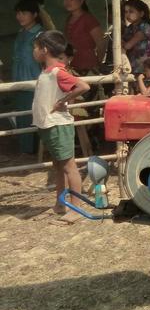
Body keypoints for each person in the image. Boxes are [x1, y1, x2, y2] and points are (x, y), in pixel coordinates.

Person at [32, 31, 90, 222]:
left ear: (45, 49)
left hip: (58, 125)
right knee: (58, 166)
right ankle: (61, 202)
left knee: (69, 167)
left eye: (36, 47)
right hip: (49, 125)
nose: (34, 51)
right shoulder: (46, 71)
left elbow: (83, 86)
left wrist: (63, 100)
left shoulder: (58, 72)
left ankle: (76, 207)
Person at [12, 0, 44, 154]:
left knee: (33, 117)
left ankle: (35, 152)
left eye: (24, 13)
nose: (20, 16)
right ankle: (26, 151)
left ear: (35, 14)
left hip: (34, 83)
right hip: (19, 82)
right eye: (18, 13)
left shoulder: (40, 35)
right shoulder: (21, 33)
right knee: (22, 117)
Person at [62, 0, 103, 74]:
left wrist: (98, 64)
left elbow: (101, 44)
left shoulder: (88, 19)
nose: (67, 2)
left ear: (81, 1)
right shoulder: (69, 19)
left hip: (88, 66)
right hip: (72, 66)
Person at [122, 0, 150, 75]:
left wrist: (123, 44)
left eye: (131, 12)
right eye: (126, 12)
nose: (128, 15)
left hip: (143, 67)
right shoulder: (129, 28)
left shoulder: (144, 27)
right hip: (131, 65)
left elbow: (127, 45)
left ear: (141, 14)